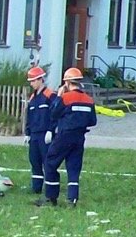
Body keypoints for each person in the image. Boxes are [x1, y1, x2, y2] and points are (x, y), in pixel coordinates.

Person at [38, 67, 98, 207]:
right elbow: (93, 121)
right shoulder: (89, 100)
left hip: (64, 136)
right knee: (74, 168)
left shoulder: (65, 98)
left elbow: (54, 113)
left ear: (67, 83)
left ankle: (51, 197)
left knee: (50, 163)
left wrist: (59, 96)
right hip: (79, 137)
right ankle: (72, 199)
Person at [24, 66, 56, 194]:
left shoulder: (50, 96)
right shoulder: (33, 98)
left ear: (40, 79)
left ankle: (50, 188)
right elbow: (29, 116)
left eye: (33, 81)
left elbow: (55, 114)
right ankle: (36, 188)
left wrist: (51, 130)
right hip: (34, 134)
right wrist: (27, 133)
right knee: (34, 161)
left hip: (45, 134)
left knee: (47, 161)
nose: (31, 84)